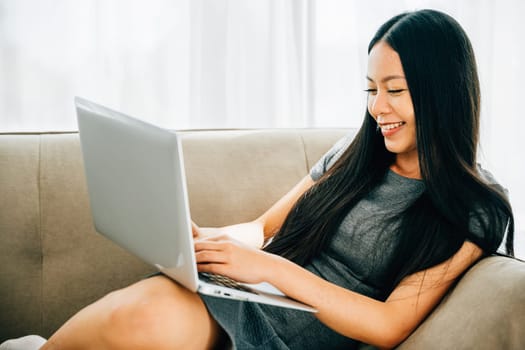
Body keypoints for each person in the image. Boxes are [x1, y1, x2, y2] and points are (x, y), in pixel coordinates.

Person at [2, 8, 514, 350]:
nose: (377, 108)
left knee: (147, 320)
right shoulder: (358, 151)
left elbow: (388, 326)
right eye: (369, 88)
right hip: (257, 291)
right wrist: (216, 244)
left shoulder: (477, 207)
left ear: (441, 92)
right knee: (145, 310)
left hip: (300, 328)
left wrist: (264, 268)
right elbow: (266, 224)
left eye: (395, 90)